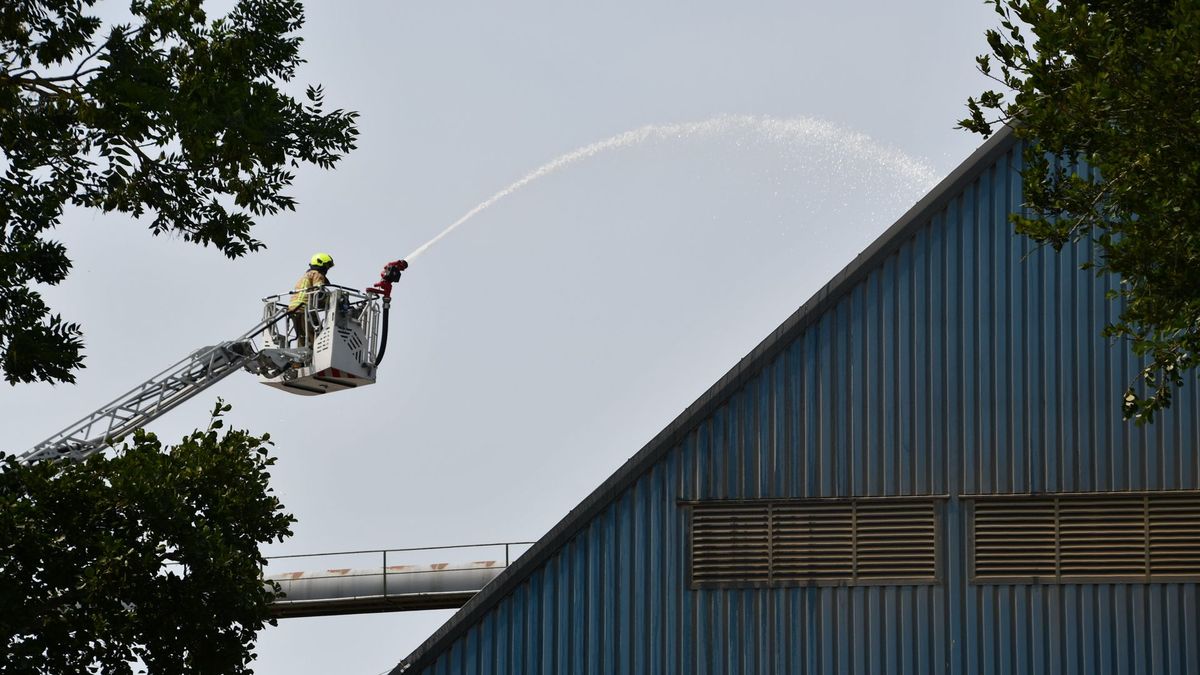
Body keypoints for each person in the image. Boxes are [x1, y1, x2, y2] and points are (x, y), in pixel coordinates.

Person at [289, 253, 334, 347]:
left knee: (302, 337)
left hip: (293, 309)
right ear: (321, 264)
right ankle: (318, 357)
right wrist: (332, 300)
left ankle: (299, 361)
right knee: (317, 335)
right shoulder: (317, 274)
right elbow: (318, 292)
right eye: (327, 266)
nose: (327, 269)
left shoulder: (305, 276)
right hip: (305, 308)